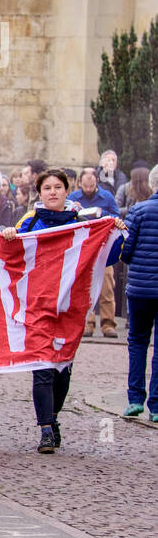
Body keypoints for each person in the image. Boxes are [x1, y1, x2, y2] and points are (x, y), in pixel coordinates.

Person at [2, 170, 125, 450]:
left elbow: (110, 256)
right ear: (40, 193)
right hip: (38, 306)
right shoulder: (30, 222)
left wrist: (115, 231)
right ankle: (45, 428)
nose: (53, 192)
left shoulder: (83, 223)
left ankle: (54, 416)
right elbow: (10, 254)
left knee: (61, 368)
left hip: (70, 307)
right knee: (42, 367)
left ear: (67, 191)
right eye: (48, 188)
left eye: (58, 187)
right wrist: (10, 234)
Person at [121, 165, 158, 422]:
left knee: (137, 342)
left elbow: (125, 250)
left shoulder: (138, 210)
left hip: (139, 289)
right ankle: (156, 405)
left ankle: (135, 399)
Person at [69, 167, 120, 337]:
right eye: (85, 186)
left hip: (104, 248)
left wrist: (100, 214)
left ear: (96, 182)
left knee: (107, 286)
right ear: (79, 183)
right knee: (84, 287)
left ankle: (108, 323)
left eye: (91, 186)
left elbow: (117, 217)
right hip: (83, 248)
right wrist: (73, 210)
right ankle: (87, 322)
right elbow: (64, 217)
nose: (88, 189)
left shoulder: (107, 197)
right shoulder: (73, 198)